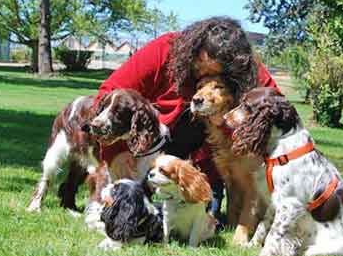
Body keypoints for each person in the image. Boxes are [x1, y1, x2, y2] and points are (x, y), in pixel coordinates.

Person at [94, 16, 278, 221]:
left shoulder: (244, 65)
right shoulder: (163, 50)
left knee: (200, 220)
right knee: (137, 215)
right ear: (192, 49)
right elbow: (108, 93)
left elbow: (275, 106)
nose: (203, 77)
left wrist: (229, 125)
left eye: (214, 74)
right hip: (146, 157)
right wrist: (115, 151)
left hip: (204, 169)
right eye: (199, 68)